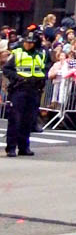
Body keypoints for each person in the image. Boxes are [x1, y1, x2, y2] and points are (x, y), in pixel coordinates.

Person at [3, 25, 47, 157]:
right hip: (19, 89)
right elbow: (6, 69)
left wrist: (42, 81)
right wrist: (17, 77)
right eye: (27, 42)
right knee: (15, 119)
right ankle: (11, 147)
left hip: (34, 90)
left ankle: (24, 147)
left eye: (31, 42)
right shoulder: (17, 53)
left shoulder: (40, 55)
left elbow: (43, 70)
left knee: (28, 120)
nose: (28, 44)